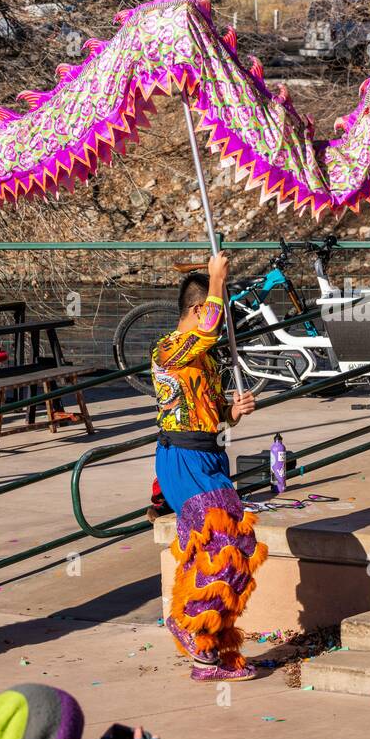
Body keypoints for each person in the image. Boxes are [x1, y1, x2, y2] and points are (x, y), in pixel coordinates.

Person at [152, 254, 265, 681]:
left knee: (230, 546)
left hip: (207, 453)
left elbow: (210, 411)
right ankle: (198, 642)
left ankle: (208, 638)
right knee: (226, 544)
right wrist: (217, 280)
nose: (221, 326)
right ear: (198, 310)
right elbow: (206, 331)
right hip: (182, 459)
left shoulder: (205, 360)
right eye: (216, 308)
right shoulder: (168, 349)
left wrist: (232, 413)